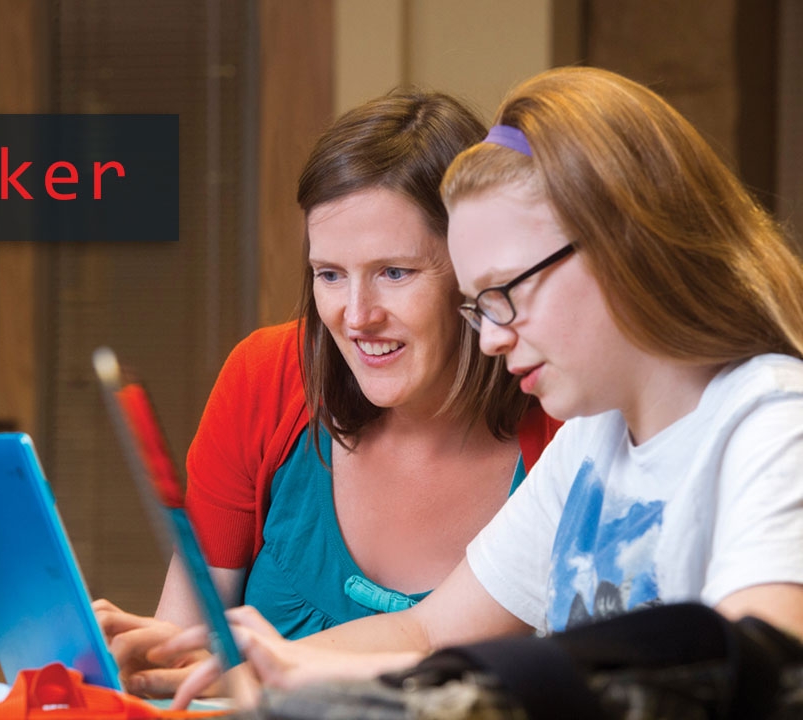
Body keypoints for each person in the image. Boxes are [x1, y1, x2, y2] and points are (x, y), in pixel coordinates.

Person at [158, 65, 803, 708]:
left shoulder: (773, 421)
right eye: (477, 304)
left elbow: (756, 654)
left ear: (619, 245)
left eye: (504, 292)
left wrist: (492, 680)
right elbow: (431, 629)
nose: (491, 338)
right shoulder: (592, 440)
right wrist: (253, 666)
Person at [94, 89, 559, 698]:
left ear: (473, 269)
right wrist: (150, 660)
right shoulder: (266, 375)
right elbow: (188, 648)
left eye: (395, 272)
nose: (356, 316)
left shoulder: (562, 422)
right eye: (329, 274)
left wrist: (249, 674)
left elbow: (429, 637)